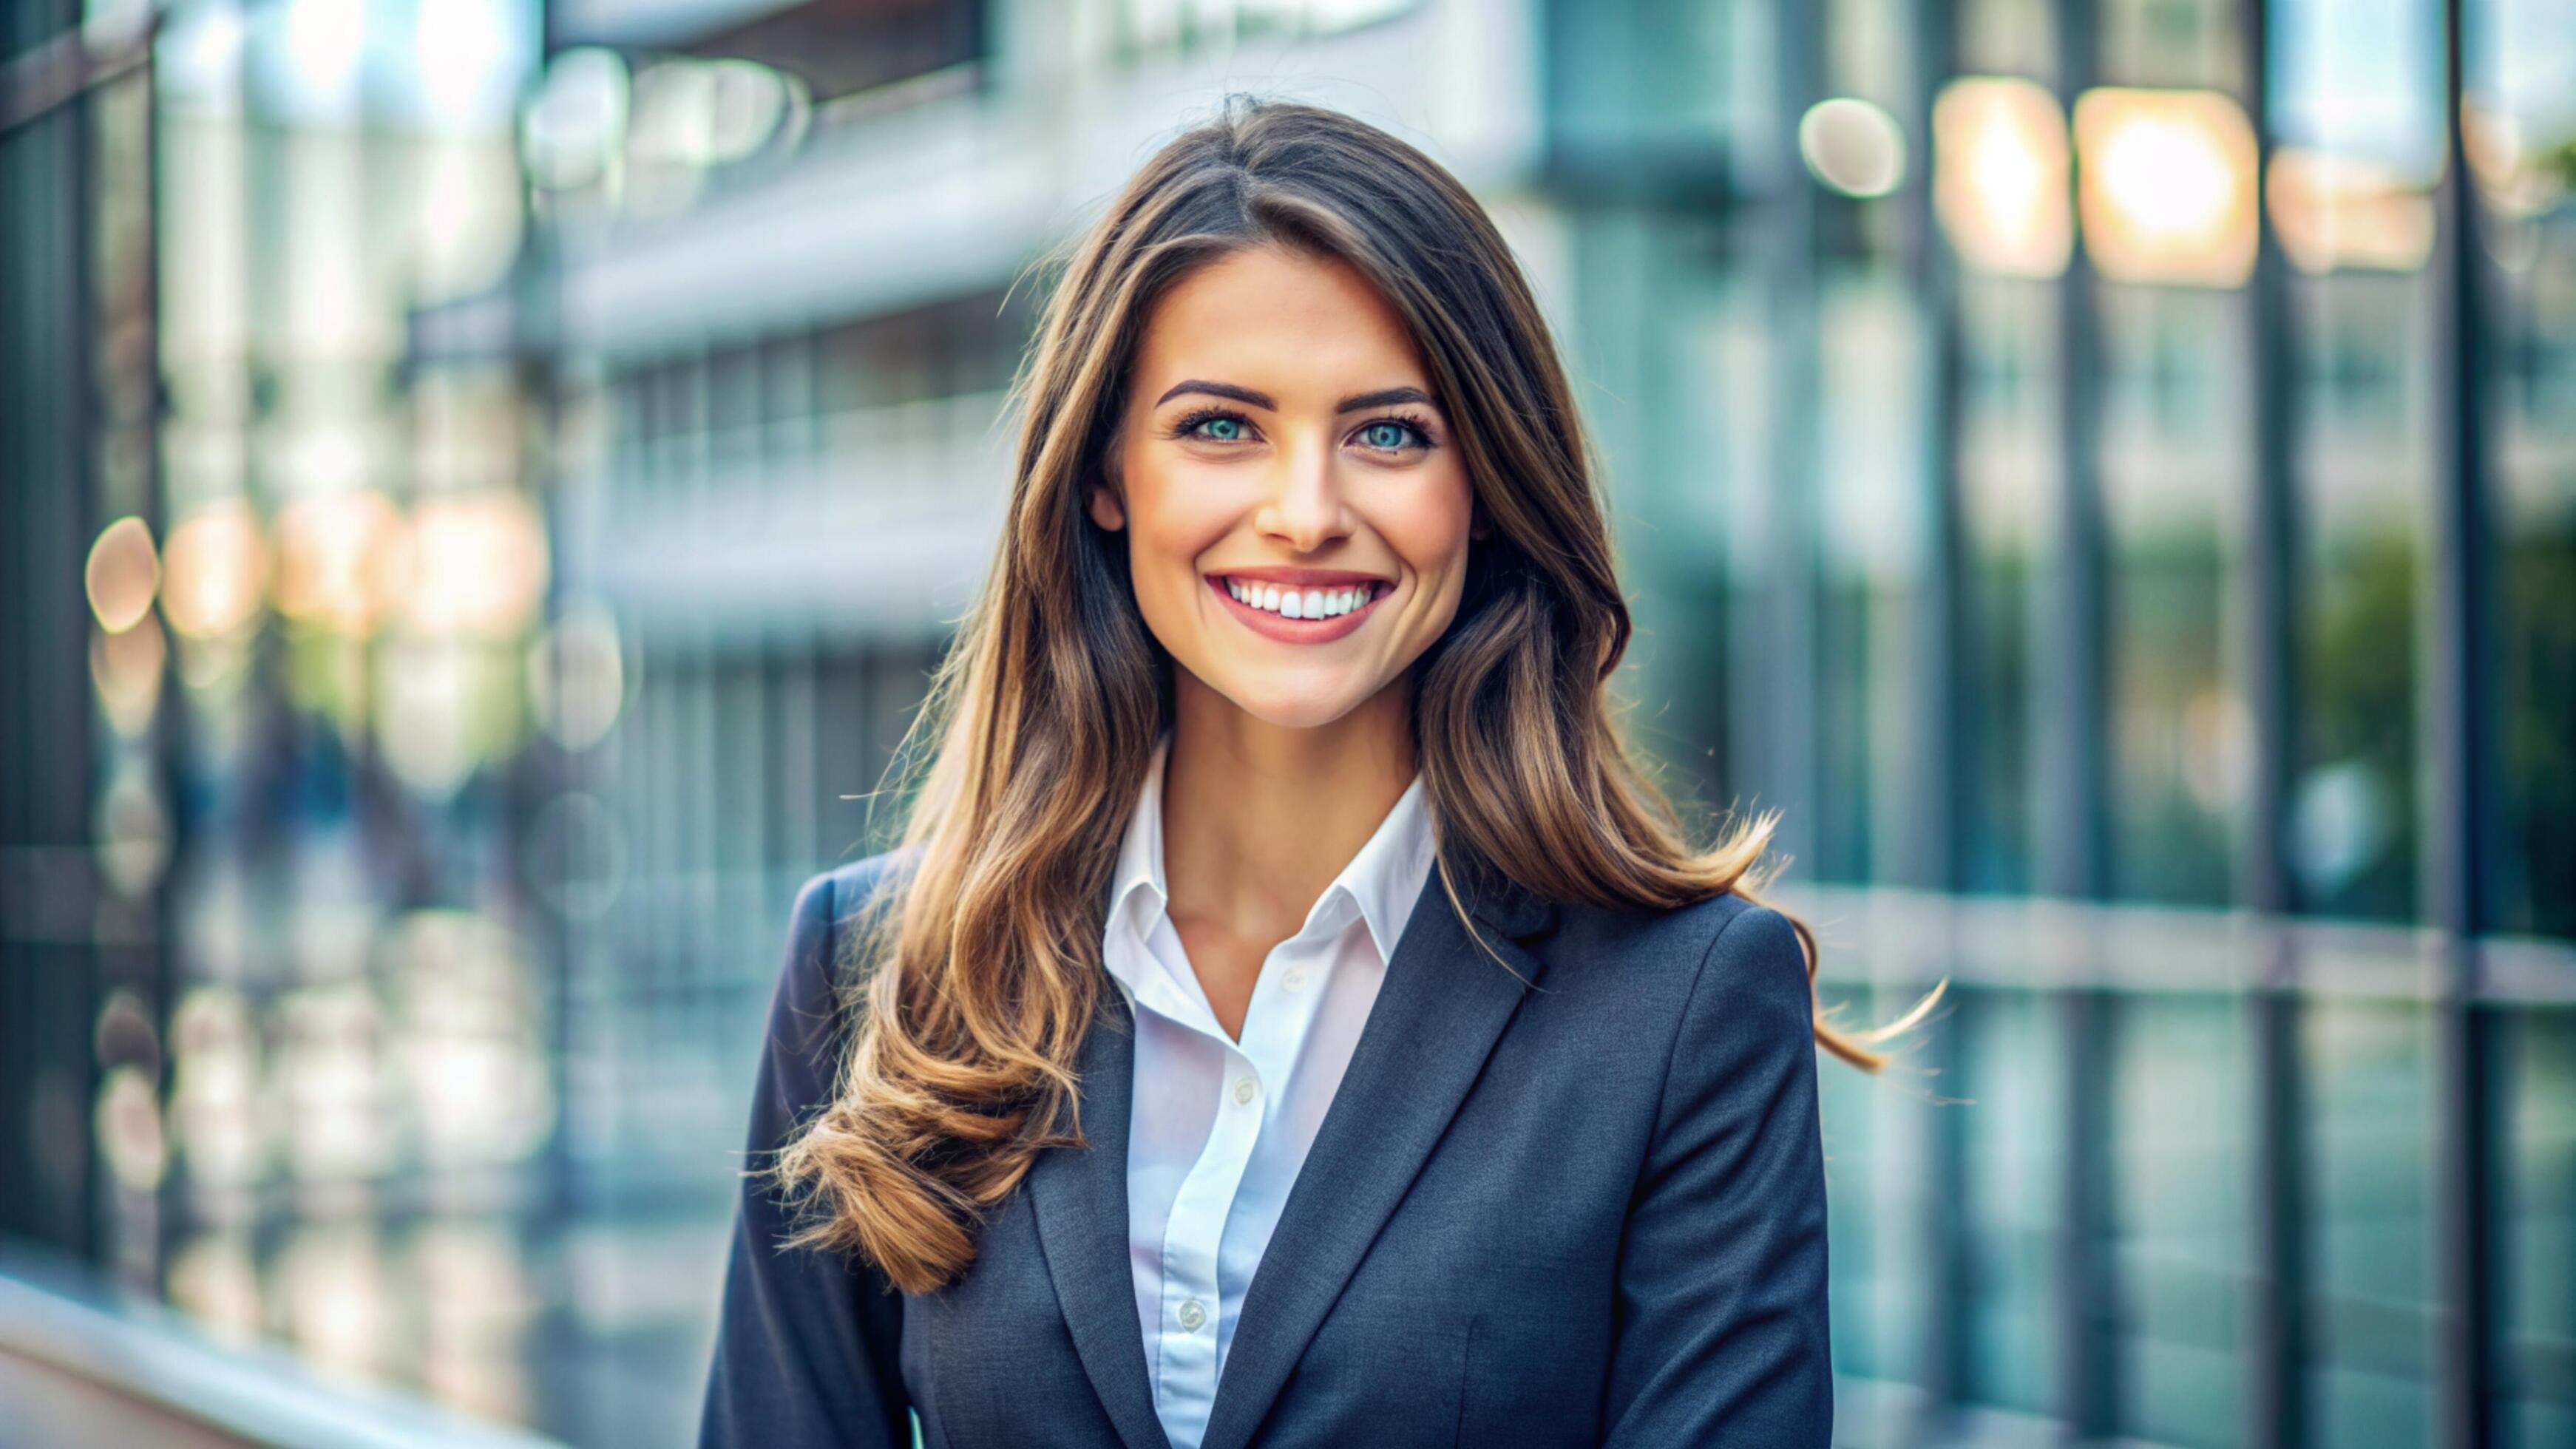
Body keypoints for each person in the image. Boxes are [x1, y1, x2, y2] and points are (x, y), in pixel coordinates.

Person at [700, 95, 1912, 1449]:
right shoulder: (875, 963)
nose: (1306, 512)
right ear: (1109, 475)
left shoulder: (1685, 1009)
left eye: (1390, 433)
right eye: (1221, 427)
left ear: (1484, 485)